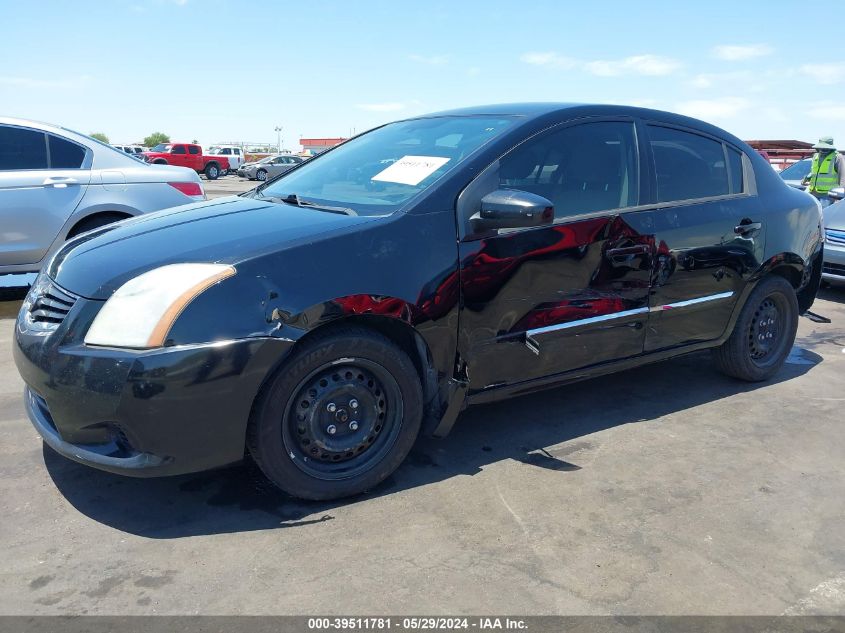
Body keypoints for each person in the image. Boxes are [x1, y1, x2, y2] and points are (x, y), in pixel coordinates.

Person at [803, 136, 845, 207]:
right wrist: (807, 178)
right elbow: (815, 171)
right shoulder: (815, 156)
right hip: (812, 193)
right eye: (821, 148)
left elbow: (843, 177)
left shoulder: (837, 157)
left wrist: (839, 196)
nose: (822, 150)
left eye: (825, 148)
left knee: (825, 216)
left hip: (828, 196)